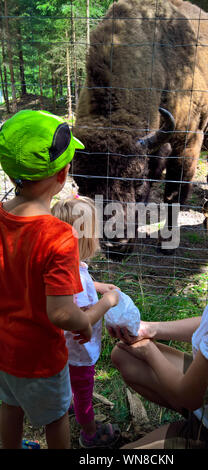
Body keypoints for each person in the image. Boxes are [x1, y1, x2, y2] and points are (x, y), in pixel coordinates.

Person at [109, 165, 208, 449]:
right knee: (124, 354)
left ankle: (203, 436)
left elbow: (186, 395)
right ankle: (197, 422)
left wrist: (148, 348)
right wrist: (151, 329)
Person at [0, 110, 119, 449]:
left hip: (4, 348)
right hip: (40, 357)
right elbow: (63, 314)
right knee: (55, 418)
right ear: (64, 172)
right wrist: (96, 311)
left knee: (9, 404)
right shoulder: (59, 235)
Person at [51, 196, 121, 448]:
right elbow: (80, 319)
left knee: (66, 381)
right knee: (84, 395)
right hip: (79, 354)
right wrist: (108, 301)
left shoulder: (65, 266)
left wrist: (99, 286)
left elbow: (81, 284)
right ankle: (90, 433)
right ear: (87, 239)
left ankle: (65, 401)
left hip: (62, 350)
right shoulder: (75, 280)